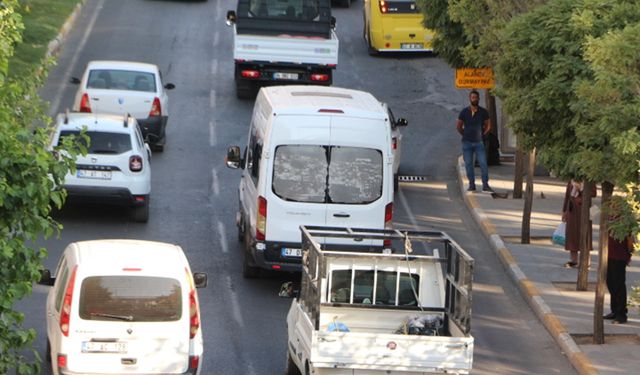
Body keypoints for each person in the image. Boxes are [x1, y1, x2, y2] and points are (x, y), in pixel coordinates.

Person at [457, 90, 493, 192]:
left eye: (476, 97)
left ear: (479, 99)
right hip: (467, 143)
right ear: (470, 99)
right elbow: (459, 126)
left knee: (483, 164)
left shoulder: (483, 112)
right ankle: (471, 184)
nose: (474, 99)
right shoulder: (464, 112)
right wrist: (465, 134)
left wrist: (483, 134)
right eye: (472, 97)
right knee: (468, 164)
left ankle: (485, 185)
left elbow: (488, 125)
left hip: (479, 142)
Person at [561, 179, 596, 268]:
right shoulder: (571, 180)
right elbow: (567, 196)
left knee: (585, 235)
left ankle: (586, 261)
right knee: (572, 235)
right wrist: (564, 211)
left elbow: (594, 193)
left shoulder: (589, 180)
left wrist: (581, 188)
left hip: (584, 211)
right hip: (572, 211)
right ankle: (574, 260)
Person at [604, 222, 634, 324]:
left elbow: (630, 239)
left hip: (619, 255)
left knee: (619, 284)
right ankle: (614, 310)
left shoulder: (625, 219)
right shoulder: (608, 216)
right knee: (610, 282)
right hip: (608, 254)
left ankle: (621, 314)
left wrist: (629, 253)